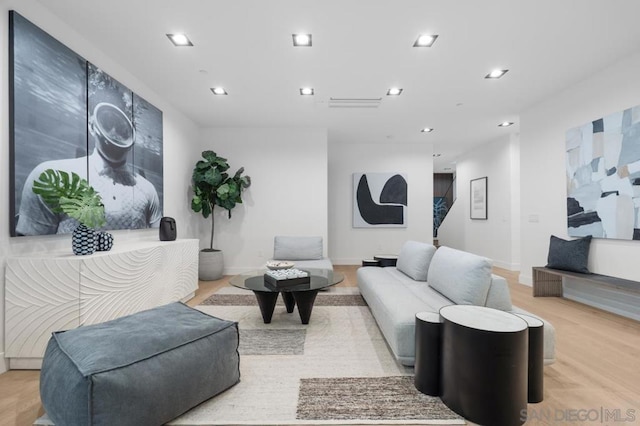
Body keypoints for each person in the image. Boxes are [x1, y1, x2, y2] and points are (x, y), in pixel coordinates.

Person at [16, 102, 161, 235]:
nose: (114, 131)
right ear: (92, 125)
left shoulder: (147, 189)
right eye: (108, 121)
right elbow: (29, 250)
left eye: (122, 127)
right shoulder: (52, 175)